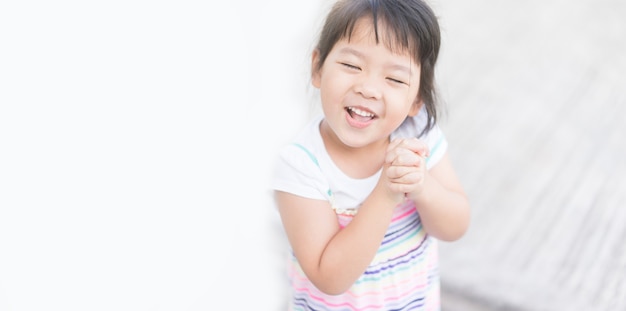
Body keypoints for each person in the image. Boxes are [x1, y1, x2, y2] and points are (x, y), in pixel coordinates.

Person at [270, 0, 471, 309]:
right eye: (352, 65)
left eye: (394, 79)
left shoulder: (418, 135)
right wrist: (386, 194)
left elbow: (455, 225)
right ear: (317, 68)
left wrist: (422, 187)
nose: (369, 89)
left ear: (417, 99)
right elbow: (330, 277)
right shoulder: (301, 165)